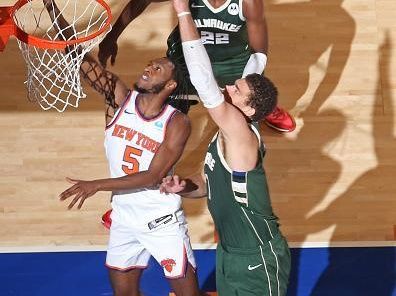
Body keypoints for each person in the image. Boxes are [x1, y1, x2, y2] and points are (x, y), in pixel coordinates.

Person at [42, 1, 200, 295]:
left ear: (170, 86)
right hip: (124, 218)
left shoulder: (176, 123)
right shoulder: (119, 100)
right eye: (150, 64)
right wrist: (51, 7)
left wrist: (96, 185)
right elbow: (79, 57)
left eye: (158, 69)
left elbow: (153, 177)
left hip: (160, 220)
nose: (149, 68)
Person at [159, 0, 291, 295]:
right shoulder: (226, 135)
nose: (229, 86)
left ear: (249, 109)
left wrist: (183, 13)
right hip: (230, 253)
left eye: (237, 89)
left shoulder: (241, 134)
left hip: (257, 257)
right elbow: (207, 183)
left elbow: (203, 81)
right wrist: (184, 187)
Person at [97, 0, 295, 133]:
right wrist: (112, 37)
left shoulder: (248, 2)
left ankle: (266, 107)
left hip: (233, 62)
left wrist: (251, 96)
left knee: (245, 116)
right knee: (164, 117)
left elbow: (259, 53)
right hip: (186, 56)